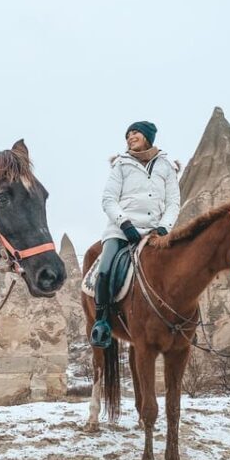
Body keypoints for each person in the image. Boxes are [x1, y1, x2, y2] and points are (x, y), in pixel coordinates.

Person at [90, 121, 181, 348]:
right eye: (128, 134)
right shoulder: (121, 165)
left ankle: (183, 322)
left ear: (148, 136)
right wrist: (125, 224)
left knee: (180, 271)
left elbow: (173, 202)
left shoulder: (166, 167)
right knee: (104, 271)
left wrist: (164, 228)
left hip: (155, 232)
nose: (130, 137)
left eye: (135, 132)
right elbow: (108, 199)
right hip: (121, 231)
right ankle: (102, 321)